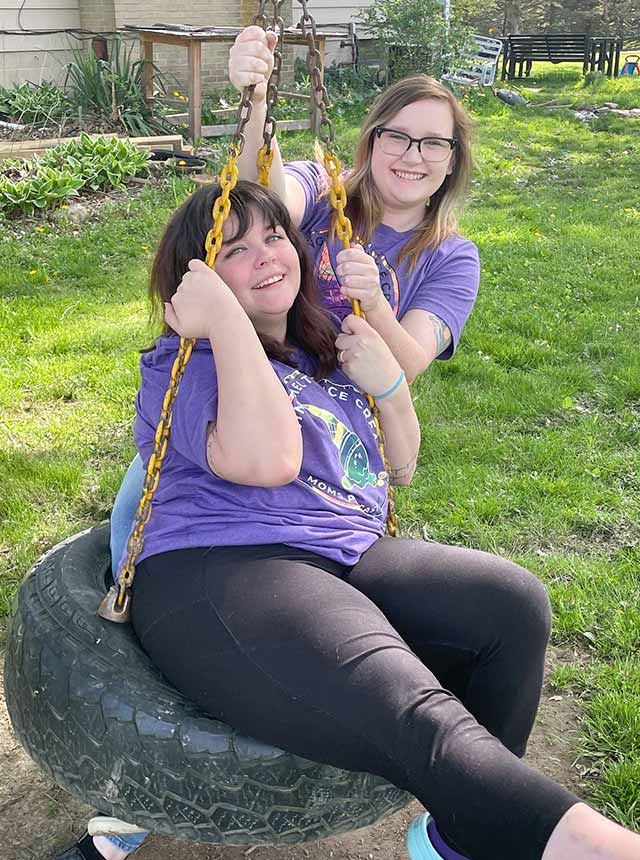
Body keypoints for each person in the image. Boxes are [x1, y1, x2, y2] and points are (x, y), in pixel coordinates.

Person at [58, 181, 640, 860]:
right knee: (419, 713)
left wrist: (389, 385)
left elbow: (399, 467)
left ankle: (466, 831)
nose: (267, 256)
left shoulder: (321, 351)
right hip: (223, 569)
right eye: (236, 250)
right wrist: (223, 321)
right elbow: (269, 459)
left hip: (342, 554)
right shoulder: (182, 364)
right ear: (200, 281)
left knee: (512, 606)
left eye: (275, 236)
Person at [108, 30, 481, 573]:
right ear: (372, 142)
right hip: (242, 377)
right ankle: (127, 599)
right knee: (159, 482)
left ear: (451, 162)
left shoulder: (451, 257)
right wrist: (256, 98)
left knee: (315, 524)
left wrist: (374, 304)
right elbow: (262, 194)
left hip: (335, 411)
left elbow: (407, 364)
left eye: (433, 143)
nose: (412, 156)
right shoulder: (322, 189)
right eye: (397, 137)